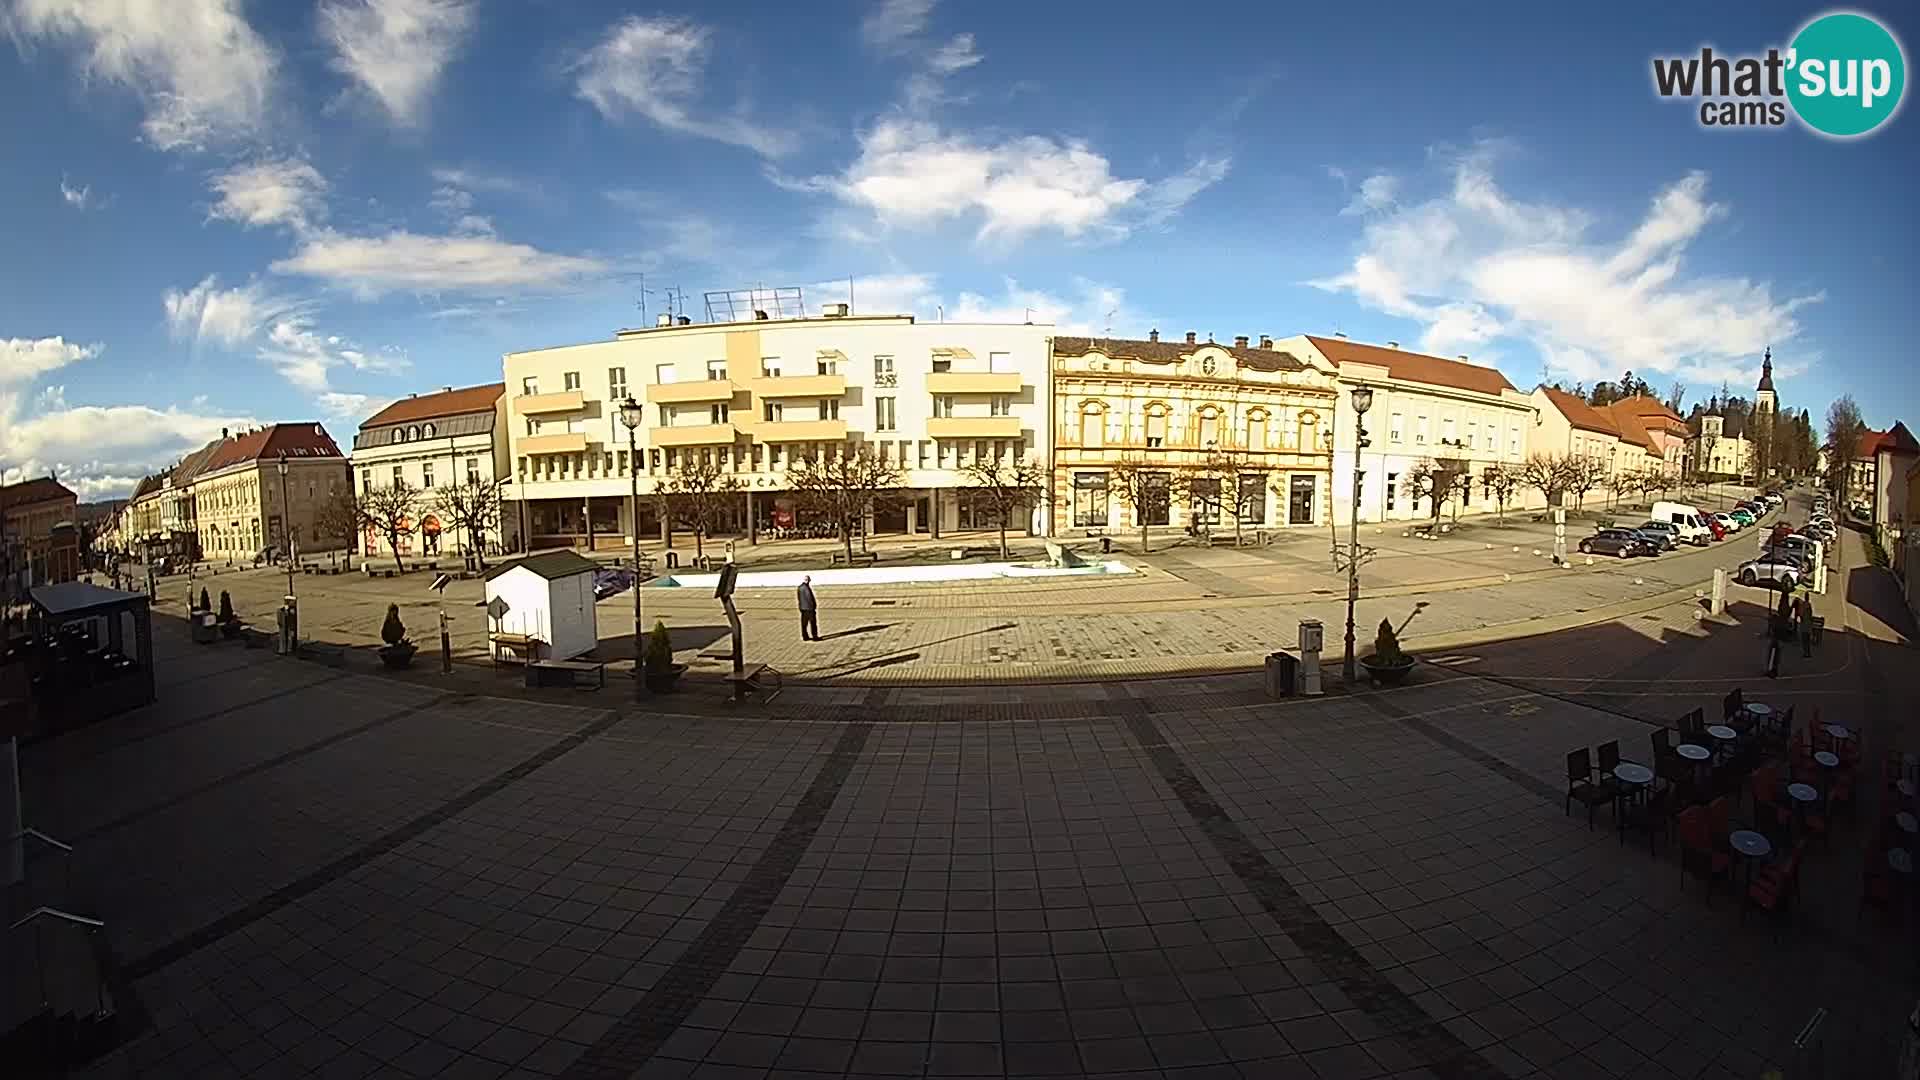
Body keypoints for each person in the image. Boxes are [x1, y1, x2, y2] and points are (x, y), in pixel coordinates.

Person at [1793, 590, 1815, 658]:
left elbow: (1801, 614)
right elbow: (1810, 614)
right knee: (1807, 639)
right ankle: (1808, 652)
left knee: (1804, 639)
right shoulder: (1809, 605)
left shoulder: (1803, 605)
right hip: (1808, 624)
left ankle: (1806, 653)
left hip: (1804, 625)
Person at [797, 574, 819, 641]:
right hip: (809, 609)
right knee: (813, 623)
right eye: (809, 580)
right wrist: (814, 606)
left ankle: (805, 636)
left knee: (804, 624)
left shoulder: (800, 587)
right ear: (808, 580)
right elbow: (809, 599)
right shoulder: (806, 588)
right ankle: (815, 636)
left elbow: (799, 598)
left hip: (803, 608)